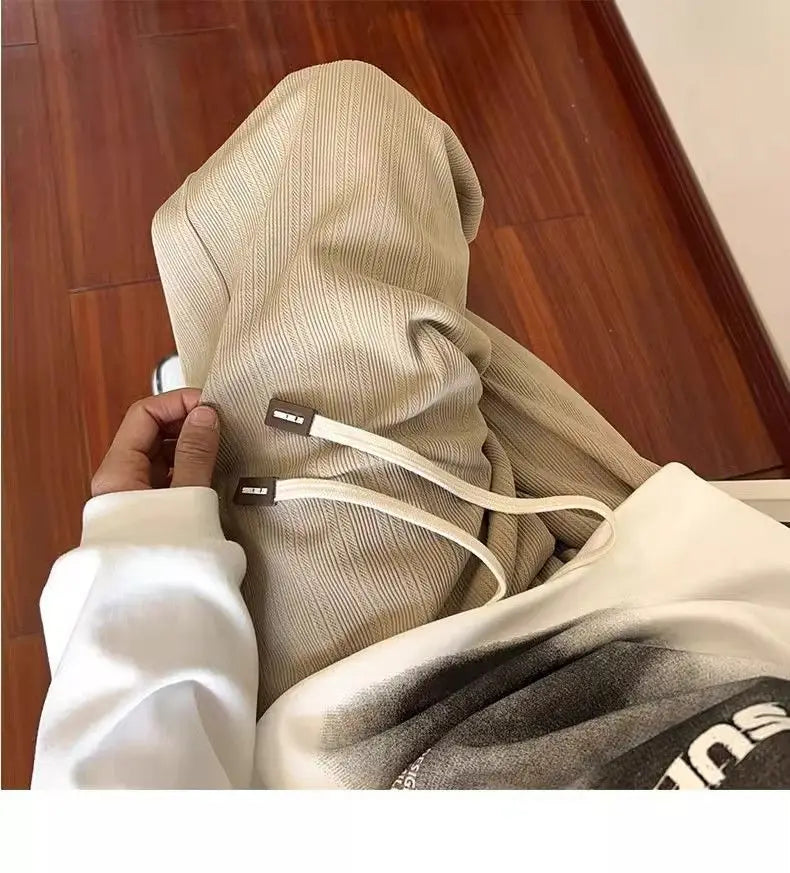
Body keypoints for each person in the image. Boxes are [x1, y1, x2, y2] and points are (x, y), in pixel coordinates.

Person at [32, 62, 790, 789]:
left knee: (341, 124)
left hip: (377, 709)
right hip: (703, 595)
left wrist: (146, 562)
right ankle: (235, 385)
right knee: (416, 322)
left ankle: (228, 389)